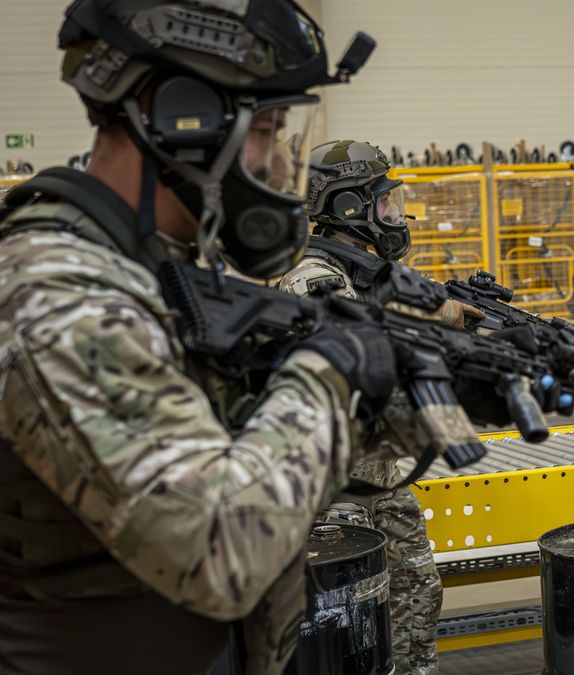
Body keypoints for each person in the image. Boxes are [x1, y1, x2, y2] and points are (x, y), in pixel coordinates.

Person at [0, 2, 390, 674]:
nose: (278, 162)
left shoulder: (150, 270)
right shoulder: (58, 294)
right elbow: (225, 550)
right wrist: (327, 371)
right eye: (266, 129)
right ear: (188, 121)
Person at [277, 139, 480, 674]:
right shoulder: (314, 280)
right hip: (331, 492)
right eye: (386, 202)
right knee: (345, 618)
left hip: (378, 478)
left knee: (415, 590)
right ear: (349, 208)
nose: (396, 214)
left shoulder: (362, 276)